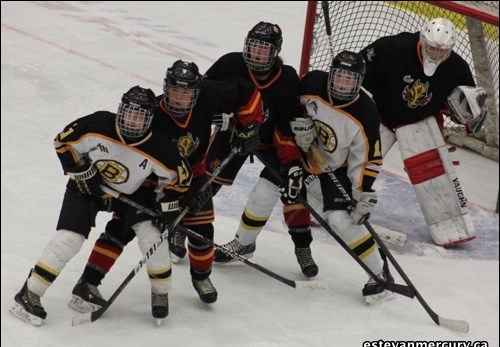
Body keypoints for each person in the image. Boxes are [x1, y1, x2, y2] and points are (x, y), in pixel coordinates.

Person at [67, 60, 264, 312]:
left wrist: (248, 125)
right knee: (121, 227)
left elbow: (245, 91)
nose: (179, 98)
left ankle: (201, 278)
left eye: (186, 92)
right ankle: (88, 282)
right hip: (149, 182)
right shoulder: (153, 116)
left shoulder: (209, 97)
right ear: (165, 88)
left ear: (196, 91)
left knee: (202, 230)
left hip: (194, 175)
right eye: (174, 91)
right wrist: (166, 200)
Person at [10, 86, 192, 326]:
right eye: (129, 113)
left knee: (153, 236)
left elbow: (181, 179)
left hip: (133, 193)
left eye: (140, 117)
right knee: (69, 238)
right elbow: (62, 142)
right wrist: (80, 169)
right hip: (87, 187)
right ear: (121, 110)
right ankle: (29, 292)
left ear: (149, 119)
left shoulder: (160, 146)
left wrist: (168, 206)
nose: (132, 121)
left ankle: (160, 292)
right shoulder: (99, 124)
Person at [176, 21, 317, 277]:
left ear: (275, 53)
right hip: (234, 135)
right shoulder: (230, 63)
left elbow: (285, 126)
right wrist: (217, 116)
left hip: (272, 143)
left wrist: (292, 163)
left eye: (264, 50)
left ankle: (302, 247)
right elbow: (201, 96)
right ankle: (180, 229)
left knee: (292, 188)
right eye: (253, 48)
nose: (257, 55)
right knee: (205, 182)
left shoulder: (286, 78)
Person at [358, 18, 488, 247]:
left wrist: (470, 115)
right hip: (380, 114)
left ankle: (451, 225)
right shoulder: (393, 48)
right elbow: (358, 70)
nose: (436, 55)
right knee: (360, 158)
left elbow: (467, 112)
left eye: (442, 51)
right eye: (431, 48)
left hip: (419, 122)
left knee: (432, 171)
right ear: (422, 40)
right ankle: (328, 199)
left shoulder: (457, 68)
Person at [291, 50, 394, 304]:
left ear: (359, 82)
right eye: (340, 77)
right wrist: (299, 122)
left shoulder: (366, 112)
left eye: (350, 79)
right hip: (298, 155)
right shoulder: (313, 82)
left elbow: (367, 158)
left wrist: (362, 193)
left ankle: (378, 273)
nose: (343, 84)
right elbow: (288, 105)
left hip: (333, 167)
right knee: (267, 189)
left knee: (341, 219)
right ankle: (244, 242)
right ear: (331, 74)